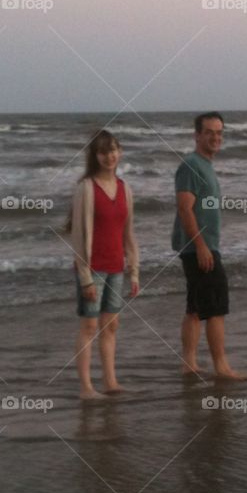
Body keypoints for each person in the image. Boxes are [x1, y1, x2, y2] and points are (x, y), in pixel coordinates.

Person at [171, 111, 247, 380]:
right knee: (215, 309)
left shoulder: (205, 165)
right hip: (199, 248)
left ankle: (189, 364)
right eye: (209, 132)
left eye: (219, 132)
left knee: (194, 309)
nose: (216, 137)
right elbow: (185, 209)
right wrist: (202, 246)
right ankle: (222, 367)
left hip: (200, 246)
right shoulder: (191, 165)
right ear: (197, 136)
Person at [69, 130, 140, 399]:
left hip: (116, 267)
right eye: (103, 151)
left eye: (113, 150)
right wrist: (85, 277)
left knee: (111, 326)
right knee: (89, 327)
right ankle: (86, 387)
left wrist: (134, 270)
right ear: (95, 156)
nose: (109, 156)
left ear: (119, 152)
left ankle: (110, 382)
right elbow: (77, 236)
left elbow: (128, 234)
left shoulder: (125, 189)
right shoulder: (85, 188)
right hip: (93, 268)